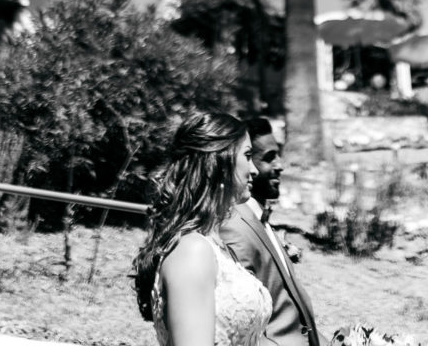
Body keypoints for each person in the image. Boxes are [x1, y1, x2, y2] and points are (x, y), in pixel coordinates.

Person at [133, 109, 272, 346]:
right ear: (219, 162)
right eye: (247, 156)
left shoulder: (215, 245)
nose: (254, 170)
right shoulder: (193, 250)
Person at [220, 118, 323, 346]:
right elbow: (245, 319)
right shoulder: (233, 226)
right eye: (267, 158)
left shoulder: (260, 219)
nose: (280, 165)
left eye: (278, 155)